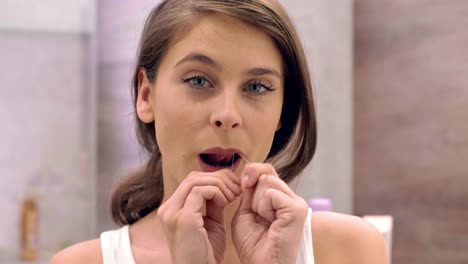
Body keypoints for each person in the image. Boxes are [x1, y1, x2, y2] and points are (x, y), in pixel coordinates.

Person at [51, 0, 388, 263]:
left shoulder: (352, 250)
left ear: (282, 111)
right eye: (198, 80)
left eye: (257, 86)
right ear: (146, 95)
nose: (227, 115)